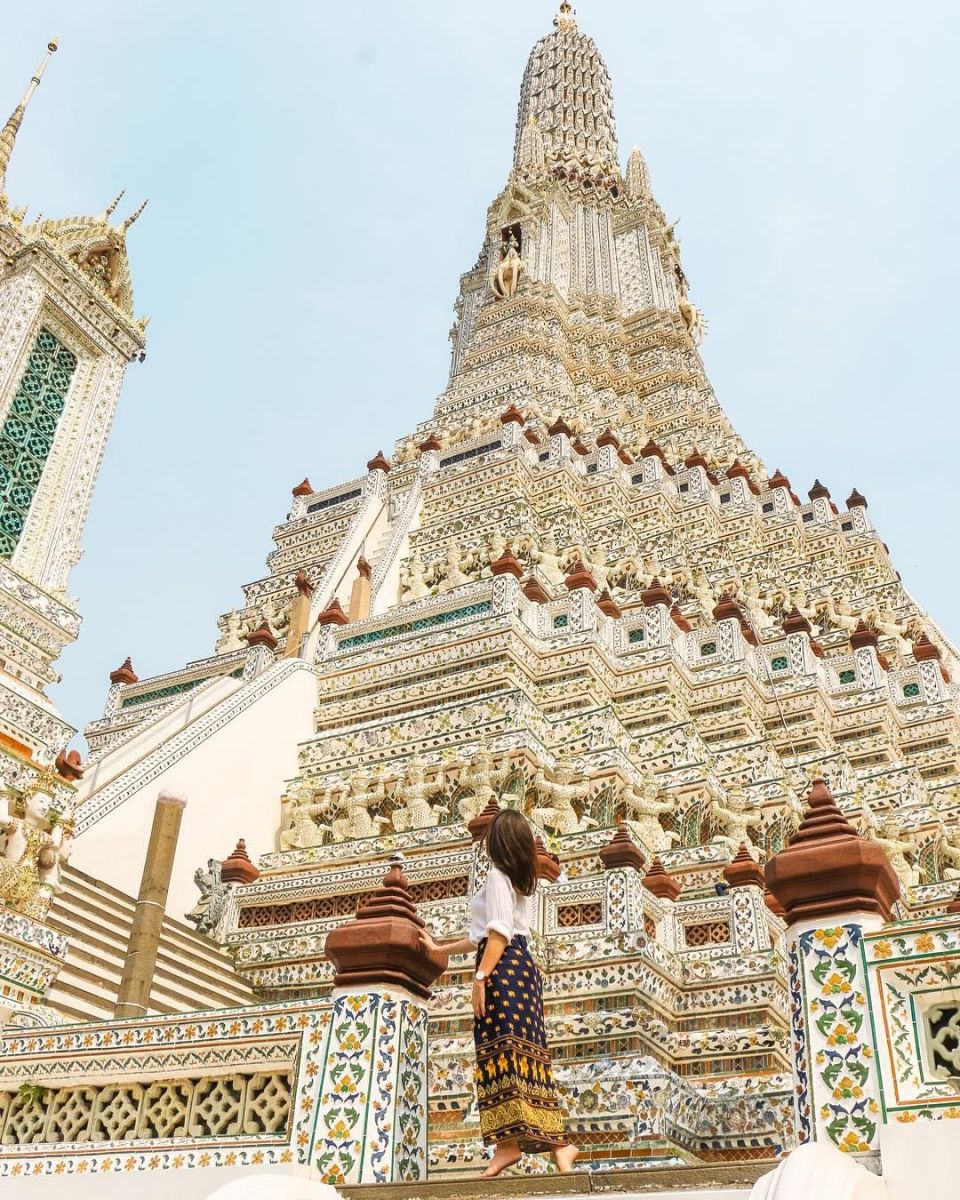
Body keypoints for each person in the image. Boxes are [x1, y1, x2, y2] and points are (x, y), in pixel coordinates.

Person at [420, 809, 578, 1178]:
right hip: (520, 967)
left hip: (502, 967)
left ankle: (531, 1145)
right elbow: (487, 932)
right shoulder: (515, 880)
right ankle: (537, 1145)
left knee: (501, 1052)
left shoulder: (496, 875)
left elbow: (499, 935)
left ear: (496, 842)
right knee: (520, 1054)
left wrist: (479, 978)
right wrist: (442, 950)